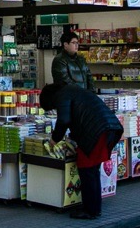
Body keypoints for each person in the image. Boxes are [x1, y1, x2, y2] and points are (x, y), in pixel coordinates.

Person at [39, 79, 123, 220]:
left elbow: (64, 120)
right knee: (92, 171)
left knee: (87, 171)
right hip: (107, 128)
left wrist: (54, 140)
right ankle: (94, 208)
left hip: (95, 132)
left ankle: (90, 210)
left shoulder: (62, 96)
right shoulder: (73, 90)